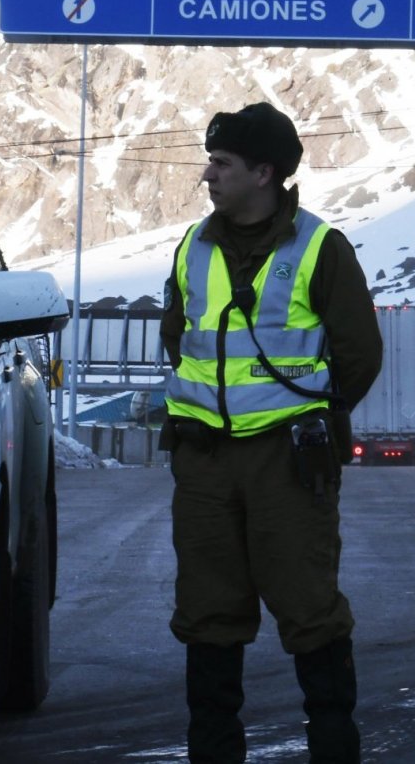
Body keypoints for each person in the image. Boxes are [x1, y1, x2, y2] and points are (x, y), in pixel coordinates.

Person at [159, 101, 383, 763]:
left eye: (222, 163)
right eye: (210, 161)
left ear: (264, 172)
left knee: (310, 610)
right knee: (207, 614)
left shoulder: (320, 248)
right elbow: (178, 340)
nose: (209, 175)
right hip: (203, 464)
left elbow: (359, 355)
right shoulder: (192, 247)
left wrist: (314, 419)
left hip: (288, 464)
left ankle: (335, 749)